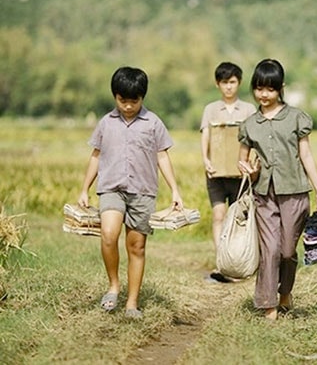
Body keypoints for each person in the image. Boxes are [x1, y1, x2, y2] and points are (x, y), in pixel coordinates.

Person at [78, 66, 184, 319]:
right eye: (122, 100)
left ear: (142, 98)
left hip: (143, 192)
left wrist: (175, 191)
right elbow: (96, 156)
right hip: (111, 188)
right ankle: (114, 286)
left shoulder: (153, 123)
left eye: (133, 101)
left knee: (136, 247)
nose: (127, 106)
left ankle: (132, 303)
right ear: (115, 96)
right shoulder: (106, 123)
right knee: (108, 234)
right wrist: (84, 189)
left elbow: (162, 156)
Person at [237, 58, 317, 320]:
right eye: (258, 88)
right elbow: (241, 159)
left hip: (295, 192)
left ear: (281, 88)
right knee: (270, 249)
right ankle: (269, 305)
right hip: (263, 194)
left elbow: (307, 156)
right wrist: (248, 169)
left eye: (270, 89)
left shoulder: (297, 118)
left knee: (288, 251)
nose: (263, 95)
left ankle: (285, 291)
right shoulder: (250, 124)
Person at [200, 62, 256, 283]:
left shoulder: (249, 110)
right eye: (225, 82)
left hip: (240, 175)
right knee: (218, 216)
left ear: (239, 83)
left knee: (239, 218)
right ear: (218, 84)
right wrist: (205, 159)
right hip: (216, 174)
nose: (229, 87)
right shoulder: (211, 109)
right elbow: (205, 136)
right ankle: (222, 261)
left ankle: (239, 261)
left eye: (232, 82)